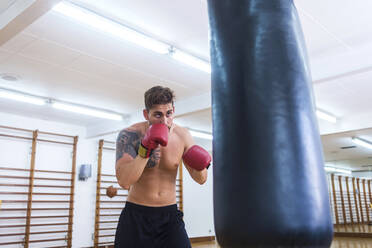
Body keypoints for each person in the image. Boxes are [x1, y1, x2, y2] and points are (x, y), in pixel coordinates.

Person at [114, 86, 212, 248]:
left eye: (168, 114)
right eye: (157, 115)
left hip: (169, 217)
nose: (164, 121)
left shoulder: (183, 136)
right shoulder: (130, 134)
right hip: (136, 216)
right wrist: (145, 149)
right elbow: (124, 181)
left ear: (173, 110)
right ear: (146, 114)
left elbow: (200, 179)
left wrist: (202, 165)